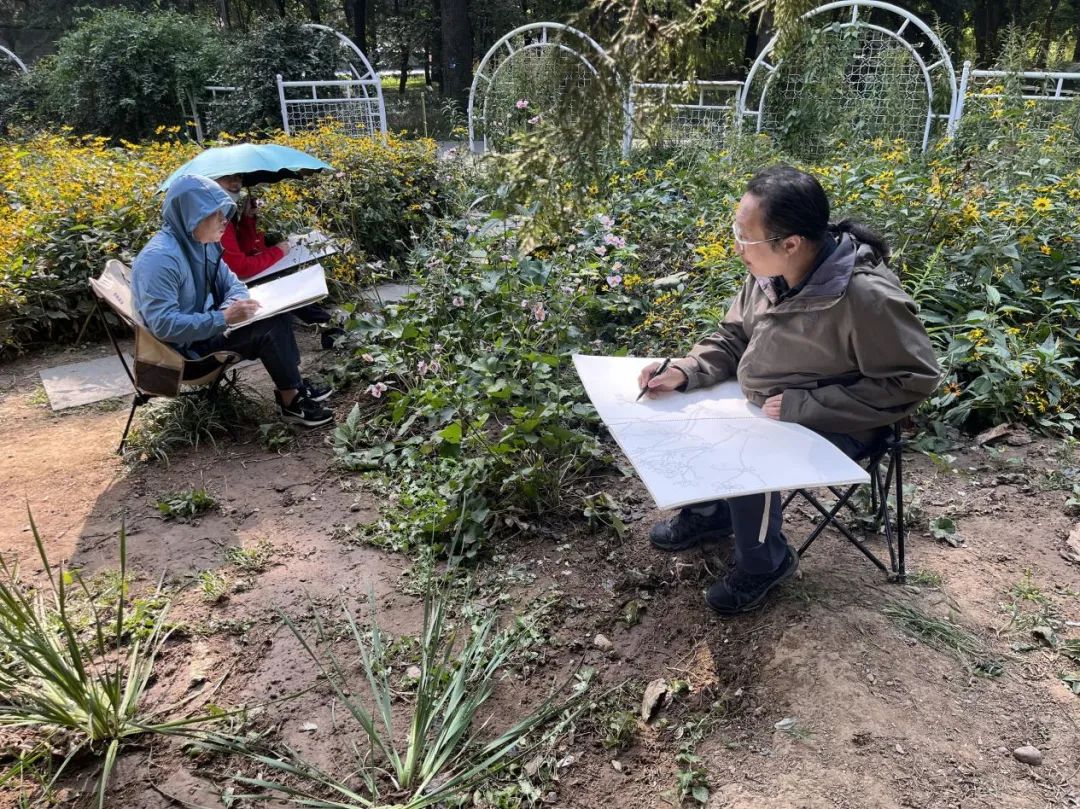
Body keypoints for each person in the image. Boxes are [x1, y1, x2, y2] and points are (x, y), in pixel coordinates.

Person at [638, 164, 940, 616]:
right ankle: (709, 514)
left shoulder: (865, 298)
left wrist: (808, 406)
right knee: (685, 411)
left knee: (749, 453)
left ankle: (766, 563)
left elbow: (912, 379)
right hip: (772, 403)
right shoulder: (768, 273)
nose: (737, 247)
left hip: (847, 418)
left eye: (746, 237)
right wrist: (686, 370)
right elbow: (734, 337)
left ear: (791, 243)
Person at [131, 174, 335, 428]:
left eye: (224, 212)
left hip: (204, 331)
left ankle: (293, 387)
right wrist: (224, 318)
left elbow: (234, 284)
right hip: (184, 353)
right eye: (215, 214)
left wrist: (230, 310)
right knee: (270, 327)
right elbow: (163, 326)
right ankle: (291, 402)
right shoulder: (160, 259)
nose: (224, 221)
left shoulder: (202, 244)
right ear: (191, 215)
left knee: (276, 314)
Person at [214, 173, 344, 349]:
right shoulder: (214, 217)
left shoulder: (225, 211)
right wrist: (278, 252)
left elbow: (244, 251)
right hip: (223, 291)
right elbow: (241, 268)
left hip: (230, 280)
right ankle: (330, 327)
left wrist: (248, 220)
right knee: (280, 284)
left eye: (238, 177)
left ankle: (329, 327)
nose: (235, 182)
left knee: (281, 276)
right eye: (227, 177)